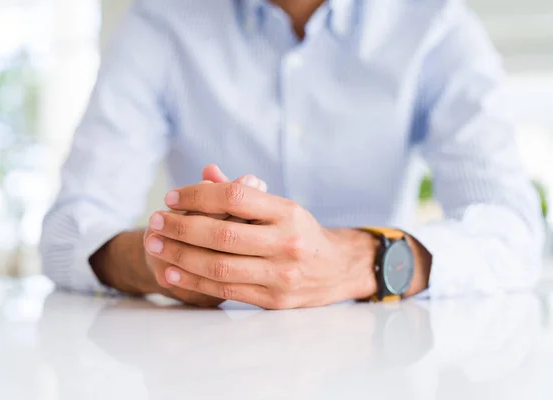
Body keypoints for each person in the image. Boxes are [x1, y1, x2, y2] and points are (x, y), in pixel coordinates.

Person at [40, 0, 544, 309]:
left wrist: (361, 260)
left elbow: (514, 233)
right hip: (202, 364)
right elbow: (69, 232)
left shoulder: (435, 23)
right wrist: (169, 262)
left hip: (380, 359)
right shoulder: (160, 22)